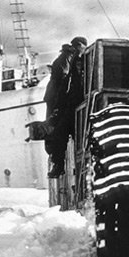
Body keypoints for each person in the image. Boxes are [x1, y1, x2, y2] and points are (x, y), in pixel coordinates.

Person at [43, 36, 87, 178]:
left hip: (74, 103)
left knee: (62, 133)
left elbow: (66, 82)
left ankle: (61, 166)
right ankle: (63, 166)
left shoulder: (74, 58)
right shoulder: (72, 59)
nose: (75, 49)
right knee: (63, 133)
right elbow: (66, 82)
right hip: (72, 104)